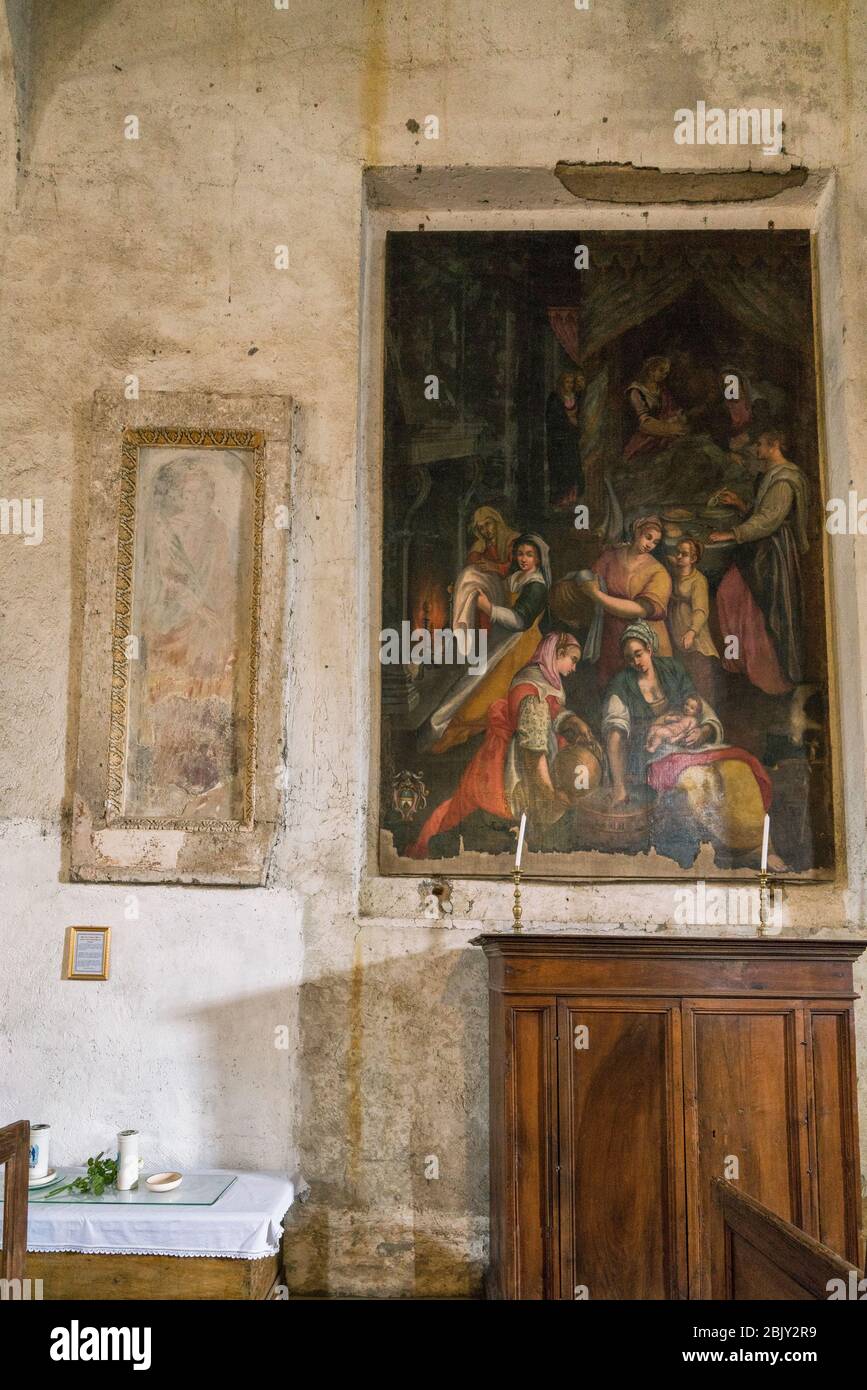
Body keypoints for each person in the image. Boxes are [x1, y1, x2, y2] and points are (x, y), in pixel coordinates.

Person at [601, 622, 783, 867]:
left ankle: (761, 847)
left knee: (738, 770)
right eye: (629, 658)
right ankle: (734, 847)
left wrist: (703, 730)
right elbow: (615, 734)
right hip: (652, 755)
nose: (636, 662)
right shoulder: (621, 684)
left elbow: (698, 706)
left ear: (649, 649)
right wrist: (619, 786)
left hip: (691, 746)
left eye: (639, 654)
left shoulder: (672, 670)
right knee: (698, 778)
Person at [408, 633, 599, 858]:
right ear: (557, 654)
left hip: (535, 754)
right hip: (518, 766)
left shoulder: (543, 680)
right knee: (521, 819)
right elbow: (533, 753)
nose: (574, 668)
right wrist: (550, 794)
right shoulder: (531, 690)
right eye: (573, 660)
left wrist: (573, 721)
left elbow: (552, 711)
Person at [430, 533, 550, 753]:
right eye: (520, 554)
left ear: (538, 560)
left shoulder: (537, 586)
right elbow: (507, 583)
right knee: (472, 681)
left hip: (519, 645)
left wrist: (488, 608)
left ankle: (461, 736)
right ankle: (448, 730)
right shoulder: (521, 575)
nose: (523, 559)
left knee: (484, 691)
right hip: (503, 638)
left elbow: (520, 620)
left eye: (529, 555)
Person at [709, 427, 809, 692]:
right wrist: (742, 505)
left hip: (772, 554)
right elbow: (763, 513)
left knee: (761, 609)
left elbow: (768, 522)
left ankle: (770, 676)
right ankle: (745, 663)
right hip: (760, 549)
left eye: (760, 444)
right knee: (733, 597)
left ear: (774, 444)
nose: (756, 449)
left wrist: (730, 533)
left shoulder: (785, 479)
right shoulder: (772, 475)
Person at [581, 515, 674, 688]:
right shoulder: (611, 556)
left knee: (638, 689)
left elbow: (640, 609)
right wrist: (588, 585)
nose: (650, 545)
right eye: (648, 537)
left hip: (641, 639)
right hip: (610, 635)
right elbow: (591, 579)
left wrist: (597, 595)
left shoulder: (658, 573)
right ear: (637, 531)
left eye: (655, 542)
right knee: (609, 687)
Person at [667, 536, 721, 703]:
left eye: (684, 554)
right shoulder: (676, 573)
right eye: (677, 553)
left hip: (694, 637)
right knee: (681, 679)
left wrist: (692, 632)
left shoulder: (698, 581)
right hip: (676, 632)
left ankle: (706, 716)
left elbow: (701, 610)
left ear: (694, 558)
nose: (679, 557)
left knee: (700, 680)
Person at [450, 506, 518, 632]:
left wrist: (495, 567)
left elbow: (515, 567)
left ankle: (462, 625)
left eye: (488, 524)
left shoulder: (512, 540)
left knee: (469, 578)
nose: (485, 530)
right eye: (481, 528)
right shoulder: (480, 545)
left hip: (508, 588)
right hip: (486, 589)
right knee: (470, 580)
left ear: (496, 522)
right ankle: (463, 627)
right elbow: (471, 564)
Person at [623, 356, 688, 461]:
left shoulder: (662, 390)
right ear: (651, 370)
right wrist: (669, 428)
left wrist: (678, 416)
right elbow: (644, 423)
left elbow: (672, 409)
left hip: (665, 434)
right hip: (645, 438)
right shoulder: (636, 391)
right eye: (661, 370)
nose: (664, 375)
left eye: (666, 373)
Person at [546, 368, 585, 506]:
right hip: (559, 440)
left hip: (572, 438)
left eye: (571, 382)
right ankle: (560, 499)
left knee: (573, 467)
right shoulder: (555, 398)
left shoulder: (576, 397)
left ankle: (572, 498)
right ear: (561, 383)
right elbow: (552, 418)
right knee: (561, 469)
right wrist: (569, 421)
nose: (569, 385)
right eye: (567, 382)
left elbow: (581, 415)